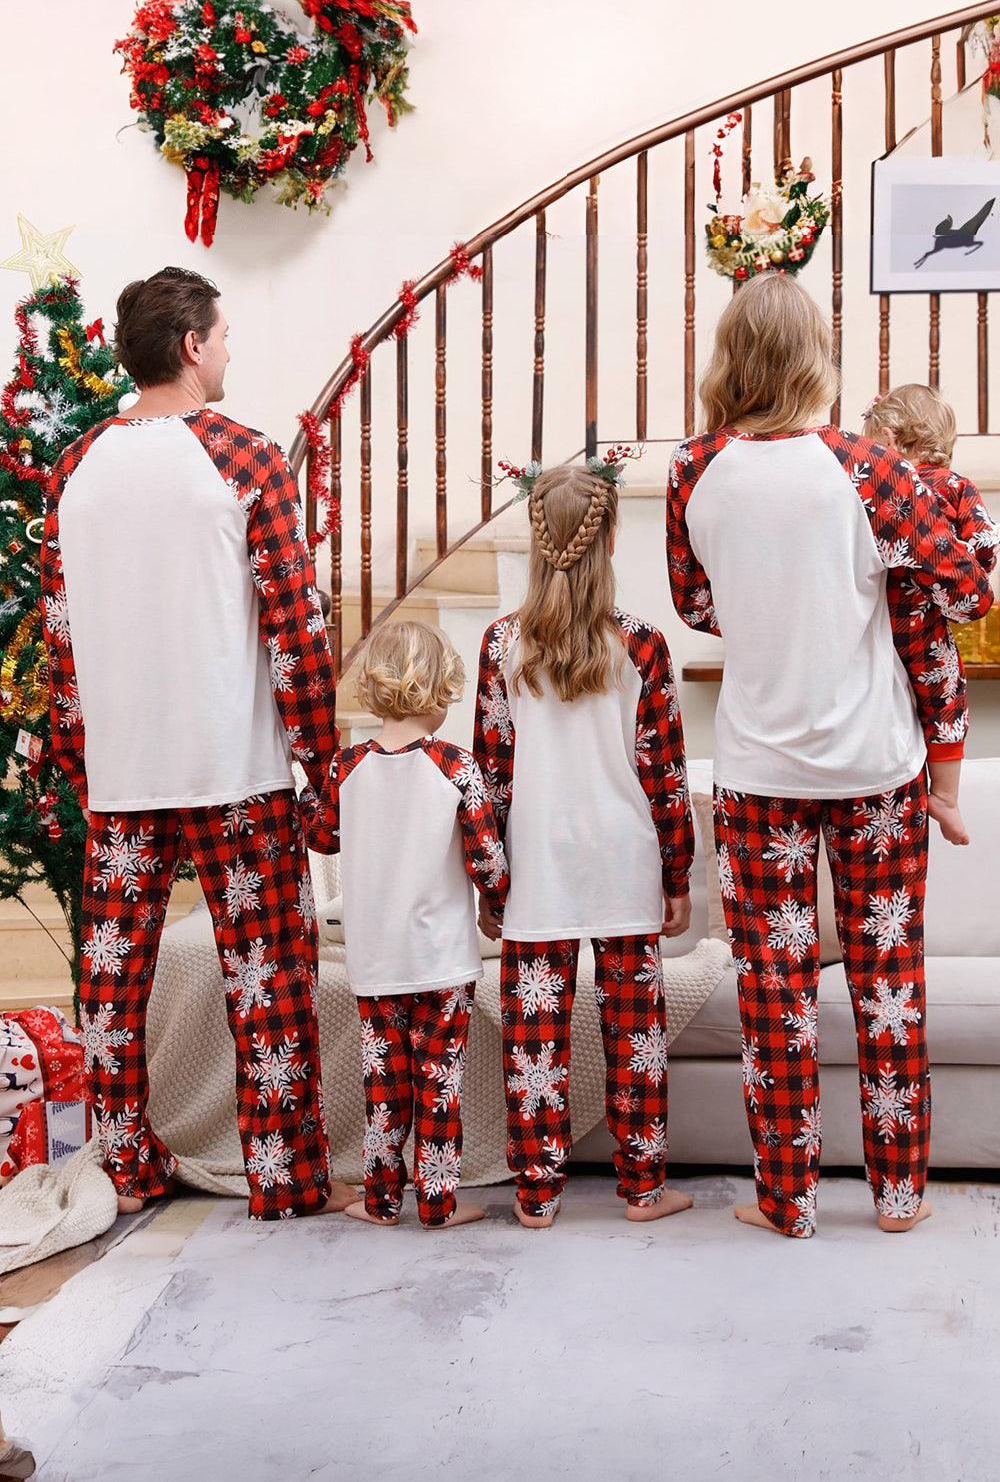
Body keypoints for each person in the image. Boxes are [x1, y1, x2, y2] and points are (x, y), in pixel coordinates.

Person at [667, 273, 995, 1238]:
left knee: (773, 994)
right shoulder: (869, 470)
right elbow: (970, 591)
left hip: (756, 774)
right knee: (889, 983)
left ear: (730, 359)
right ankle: (897, 1197)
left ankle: (787, 1201)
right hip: (875, 770)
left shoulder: (693, 469)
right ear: (819, 355)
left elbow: (696, 605)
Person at [40, 266, 354, 1220]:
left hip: (123, 773)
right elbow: (297, 628)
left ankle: (126, 1169)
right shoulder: (244, 458)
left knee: (112, 986)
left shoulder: (75, 470)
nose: (226, 352)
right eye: (221, 337)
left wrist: (81, 764)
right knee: (268, 983)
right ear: (191, 345)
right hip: (234, 770)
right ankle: (285, 1177)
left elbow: (60, 640)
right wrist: (320, 765)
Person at [474, 459, 695, 1228]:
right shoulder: (643, 645)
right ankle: (643, 1191)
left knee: (533, 1045)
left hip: (538, 870)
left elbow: (490, 781)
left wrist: (491, 883)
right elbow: (665, 776)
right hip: (623, 866)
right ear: (609, 542)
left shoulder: (500, 645)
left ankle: (536, 1196)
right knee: (636, 1039)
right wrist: (677, 876)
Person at [301, 620, 509, 1228]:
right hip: (442, 960)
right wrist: (497, 905)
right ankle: (439, 1205)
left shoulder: (345, 768)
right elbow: (488, 860)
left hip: (375, 960)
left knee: (384, 1088)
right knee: (439, 1084)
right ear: (440, 690)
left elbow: (322, 837)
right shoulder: (456, 766)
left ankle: (382, 1202)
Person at [863, 383, 1000, 846]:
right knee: (945, 698)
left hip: (874, 622)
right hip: (924, 624)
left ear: (888, 437)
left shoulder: (874, 489)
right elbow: (983, 549)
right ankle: (945, 795)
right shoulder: (955, 487)